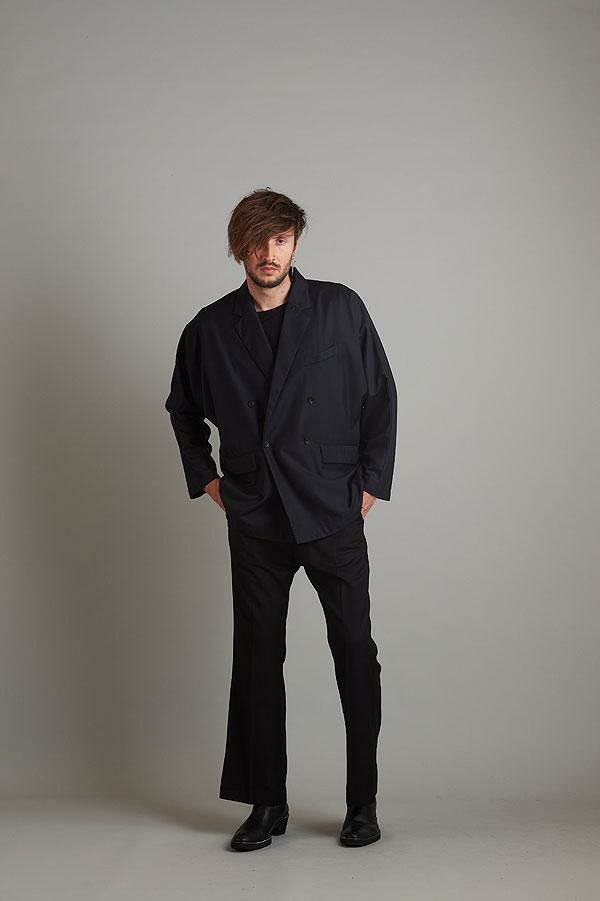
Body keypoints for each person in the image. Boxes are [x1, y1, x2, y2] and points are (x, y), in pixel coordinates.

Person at [165, 187, 397, 851]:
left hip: (331, 508)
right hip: (257, 515)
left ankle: (362, 801)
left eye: (281, 239)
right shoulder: (210, 328)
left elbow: (380, 394)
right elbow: (182, 409)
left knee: (354, 651)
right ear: (238, 246)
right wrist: (208, 480)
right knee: (258, 658)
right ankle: (266, 803)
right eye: (258, 241)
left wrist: (370, 484)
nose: (269, 253)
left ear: (295, 243)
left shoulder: (340, 308)